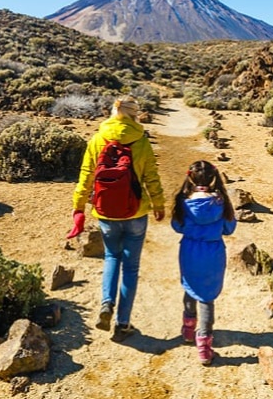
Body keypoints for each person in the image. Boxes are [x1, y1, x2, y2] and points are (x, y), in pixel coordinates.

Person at [68, 95, 164, 342]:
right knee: (131, 267)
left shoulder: (98, 138)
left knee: (112, 257)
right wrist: (158, 204)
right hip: (136, 213)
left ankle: (106, 304)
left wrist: (78, 207)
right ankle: (123, 323)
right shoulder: (141, 141)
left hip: (106, 213)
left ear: (113, 112)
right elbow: (151, 176)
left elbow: (86, 175)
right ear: (134, 114)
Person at [170, 160, 236, 365]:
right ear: (214, 178)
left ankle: (188, 330)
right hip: (213, 252)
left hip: (189, 250)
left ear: (190, 177)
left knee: (190, 287)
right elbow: (229, 229)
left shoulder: (184, 201)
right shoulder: (220, 202)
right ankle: (204, 349)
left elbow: (177, 226)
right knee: (207, 296)